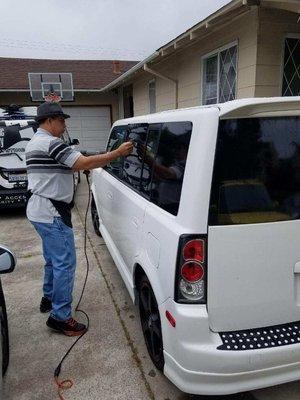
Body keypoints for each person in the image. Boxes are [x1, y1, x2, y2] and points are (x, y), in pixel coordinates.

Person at [25, 102, 133, 336]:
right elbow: (81, 163)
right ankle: (61, 317)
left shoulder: (35, 142)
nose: (65, 125)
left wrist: (85, 160)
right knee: (64, 263)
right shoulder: (50, 143)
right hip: (51, 212)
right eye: (62, 121)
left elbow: (72, 160)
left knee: (53, 259)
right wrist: (117, 153)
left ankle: (48, 298)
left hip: (39, 209)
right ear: (50, 121)